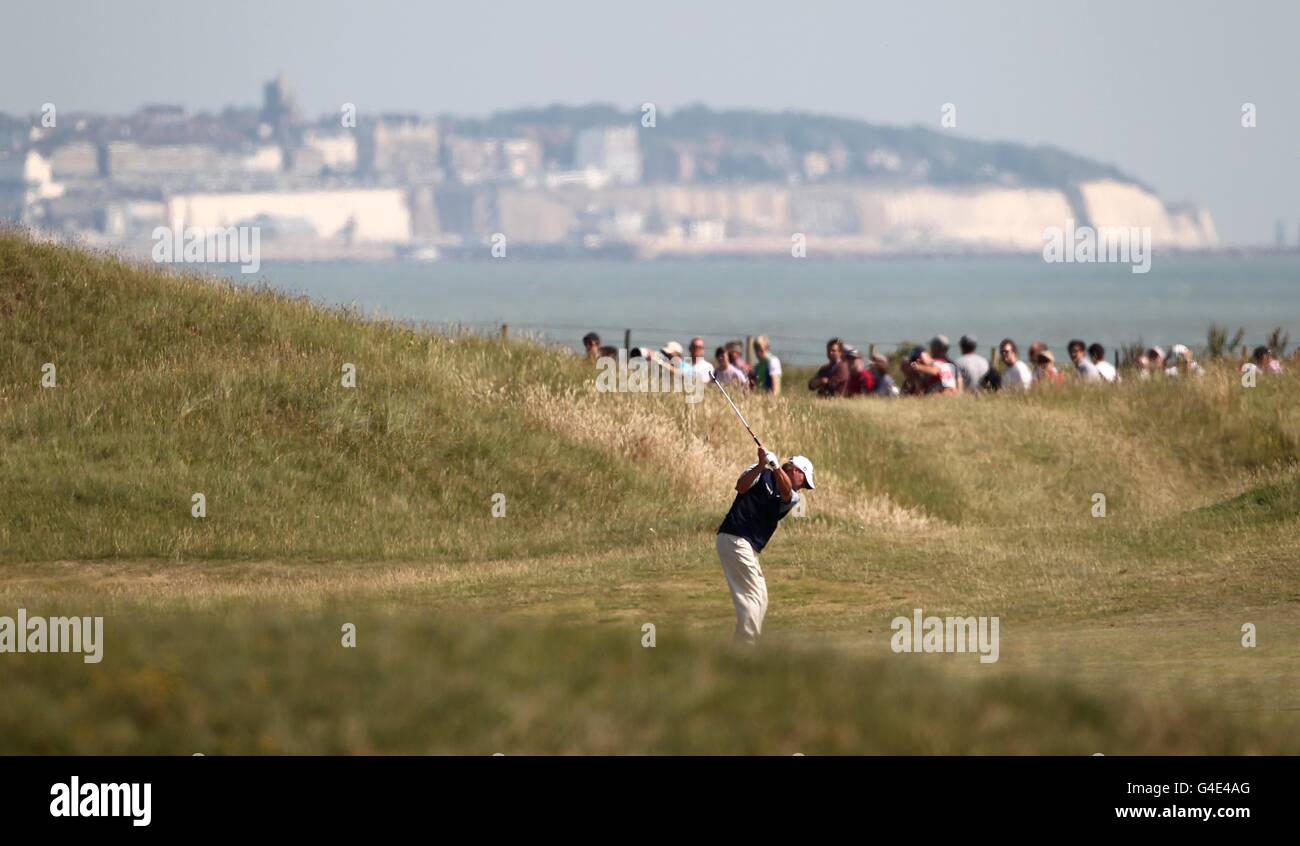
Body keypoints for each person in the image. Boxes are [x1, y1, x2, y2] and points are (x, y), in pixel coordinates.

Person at [715, 446, 815, 646]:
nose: (803, 486)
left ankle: (741, 643)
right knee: (752, 598)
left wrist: (776, 466)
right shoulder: (760, 473)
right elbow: (741, 487)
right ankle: (745, 647)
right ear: (796, 470)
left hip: (745, 546)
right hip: (735, 538)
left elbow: (786, 493)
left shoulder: (793, 496)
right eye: (804, 480)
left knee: (760, 597)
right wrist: (761, 465)